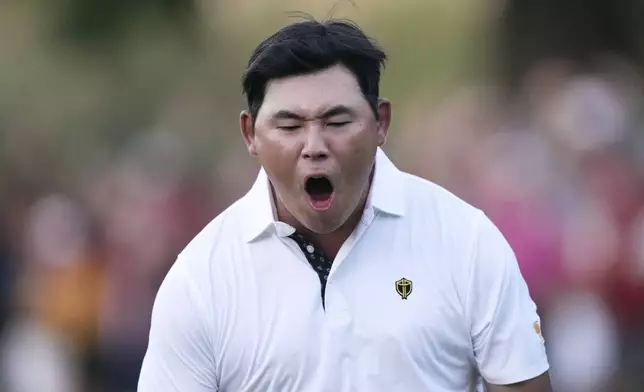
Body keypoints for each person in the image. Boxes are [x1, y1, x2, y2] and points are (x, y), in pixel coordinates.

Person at [137, 19, 552, 392]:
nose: (314, 147)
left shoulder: (465, 241)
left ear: (380, 123)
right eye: (289, 126)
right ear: (250, 134)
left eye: (337, 122)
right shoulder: (201, 280)